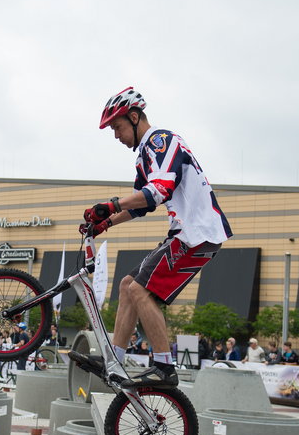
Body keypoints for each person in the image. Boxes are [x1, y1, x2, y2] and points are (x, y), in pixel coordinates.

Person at [70, 86, 232, 388]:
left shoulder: (161, 141)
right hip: (187, 233)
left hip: (197, 234)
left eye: (117, 127)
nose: (116, 136)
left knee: (142, 291)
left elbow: (158, 191)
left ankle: (164, 368)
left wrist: (111, 205)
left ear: (134, 117)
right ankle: (114, 360)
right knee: (128, 285)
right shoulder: (146, 154)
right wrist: (107, 223)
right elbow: (144, 204)